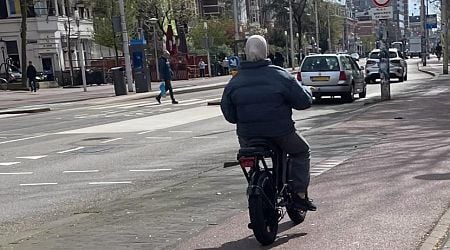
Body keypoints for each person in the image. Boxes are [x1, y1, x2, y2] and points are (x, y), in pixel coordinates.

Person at [220, 35, 316, 211]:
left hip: (248, 136)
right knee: (301, 151)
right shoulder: (280, 75)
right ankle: (300, 194)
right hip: (280, 132)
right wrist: (307, 91)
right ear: (266, 52)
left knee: (252, 161)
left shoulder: (235, 81)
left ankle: (257, 180)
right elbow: (303, 102)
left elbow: (229, 115)